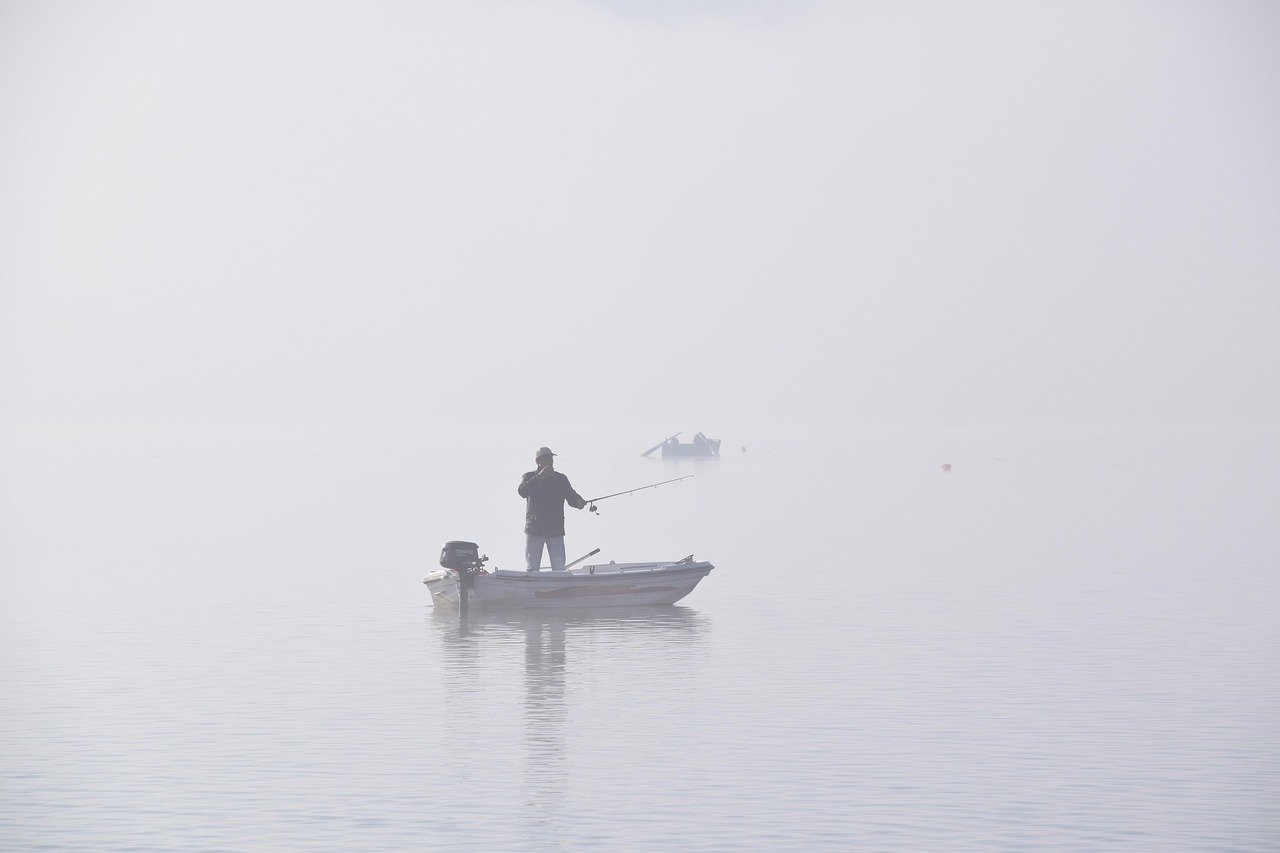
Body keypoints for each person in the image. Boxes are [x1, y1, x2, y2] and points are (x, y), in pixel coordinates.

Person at [517, 446, 587, 572]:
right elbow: (522, 491)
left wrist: (579, 502)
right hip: (534, 529)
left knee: (559, 568)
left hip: (555, 529)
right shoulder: (529, 477)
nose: (550, 461)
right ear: (538, 461)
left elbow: (571, 496)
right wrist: (539, 477)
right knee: (532, 568)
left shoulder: (560, 479)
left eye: (551, 458)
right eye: (547, 458)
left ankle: (557, 589)